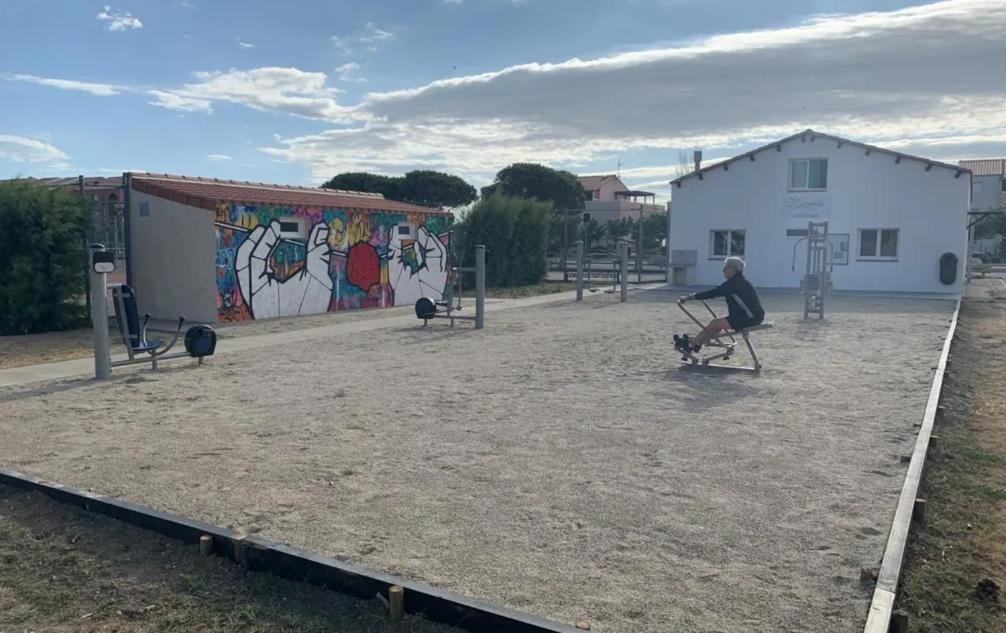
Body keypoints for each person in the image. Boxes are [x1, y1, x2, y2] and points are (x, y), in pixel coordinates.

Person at [674, 256, 764, 354]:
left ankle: (691, 344)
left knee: (715, 323)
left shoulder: (733, 284)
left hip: (749, 318)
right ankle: (696, 343)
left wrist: (691, 297)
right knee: (716, 325)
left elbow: (713, 293)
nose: (723, 270)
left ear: (733, 269)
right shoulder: (740, 281)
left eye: (725, 268)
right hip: (752, 316)